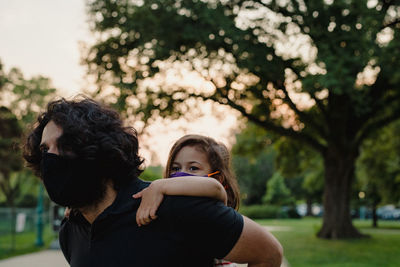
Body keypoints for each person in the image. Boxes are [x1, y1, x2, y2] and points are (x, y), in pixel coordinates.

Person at [23, 97, 283, 267]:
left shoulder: (173, 207)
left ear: (100, 151)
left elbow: (268, 254)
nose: (52, 158)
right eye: (45, 150)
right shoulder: (72, 231)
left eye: (65, 145)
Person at [132, 135, 241, 267]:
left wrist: (158, 186)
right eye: (176, 168)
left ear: (218, 178)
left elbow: (214, 187)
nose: (181, 174)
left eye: (193, 168)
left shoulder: (215, 200)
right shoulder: (167, 204)